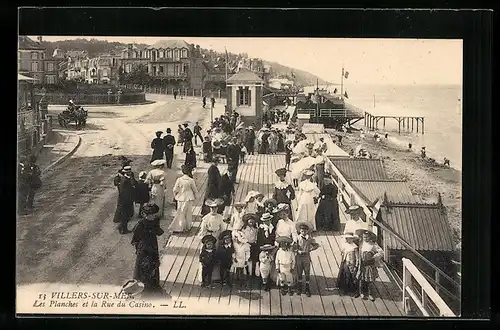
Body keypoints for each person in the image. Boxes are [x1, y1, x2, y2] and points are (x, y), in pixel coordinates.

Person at [131, 203, 165, 296]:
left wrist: (156, 225)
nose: (152, 217)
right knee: (144, 266)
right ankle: (143, 285)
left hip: (153, 245)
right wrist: (138, 250)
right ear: (145, 215)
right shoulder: (140, 224)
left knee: (153, 264)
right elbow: (135, 239)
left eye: (154, 214)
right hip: (144, 248)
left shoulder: (155, 221)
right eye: (150, 215)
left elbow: (158, 232)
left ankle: (153, 284)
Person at [355, 227, 384, 301]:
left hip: (370, 264)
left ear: (370, 237)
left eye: (367, 237)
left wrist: (374, 257)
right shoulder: (361, 243)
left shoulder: (373, 244)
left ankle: (370, 293)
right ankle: (362, 292)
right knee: (362, 279)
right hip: (362, 264)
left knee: (370, 280)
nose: (365, 238)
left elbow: (381, 252)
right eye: (364, 237)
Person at [294, 221, 320, 297]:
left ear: (307, 231)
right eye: (302, 231)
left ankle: (307, 288)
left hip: (306, 257)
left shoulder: (310, 238)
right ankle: (299, 287)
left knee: (307, 272)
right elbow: (294, 247)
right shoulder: (297, 238)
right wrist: (298, 251)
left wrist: (311, 249)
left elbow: (316, 245)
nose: (303, 232)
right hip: (299, 257)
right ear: (300, 231)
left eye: (305, 231)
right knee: (299, 272)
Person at [170, 165, 198, 233]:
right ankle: (188, 227)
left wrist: (175, 196)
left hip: (180, 197)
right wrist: (196, 197)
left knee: (180, 212)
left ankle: (179, 226)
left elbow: (174, 190)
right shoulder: (191, 180)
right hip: (189, 197)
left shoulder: (179, 180)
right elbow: (195, 190)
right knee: (188, 213)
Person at [113, 165, 136, 234]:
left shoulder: (124, 179)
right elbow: (130, 187)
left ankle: (121, 227)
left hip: (125, 199)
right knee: (125, 215)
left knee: (126, 215)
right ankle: (123, 229)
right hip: (125, 200)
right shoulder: (125, 180)